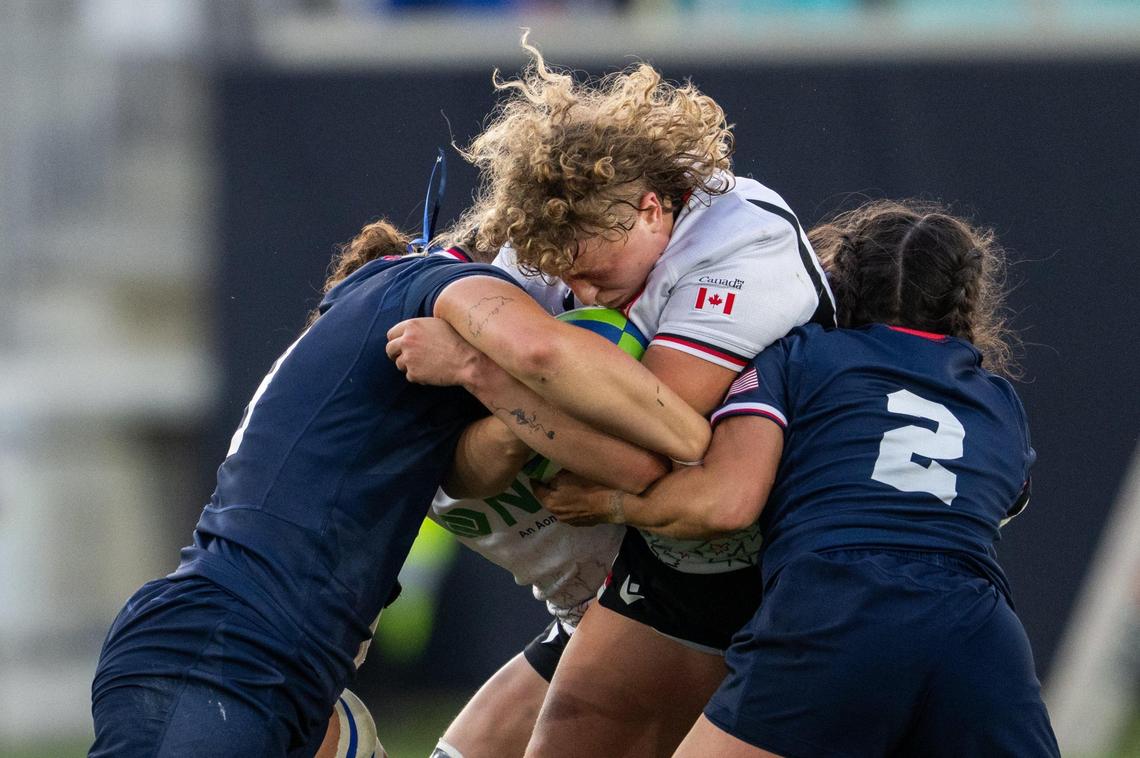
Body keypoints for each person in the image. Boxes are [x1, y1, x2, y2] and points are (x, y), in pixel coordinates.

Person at [88, 216, 708, 757]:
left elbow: (529, 428)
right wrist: (684, 431)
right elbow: (544, 358)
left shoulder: (370, 372)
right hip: (227, 650)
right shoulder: (419, 291)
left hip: (288, 663)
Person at [392, 36, 835, 758]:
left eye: (598, 276)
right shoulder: (544, 251)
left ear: (654, 210)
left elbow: (649, 440)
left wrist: (486, 374)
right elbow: (462, 473)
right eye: (568, 281)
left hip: (764, 562)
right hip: (650, 561)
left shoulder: (740, 241)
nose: (584, 295)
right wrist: (517, 413)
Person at [541, 199, 1061, 757]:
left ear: (841, 279)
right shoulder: (998, 400)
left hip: (838, 606)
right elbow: (998, 500)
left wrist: (611, 502)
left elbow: (726, 504)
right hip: (978, 628)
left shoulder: (799, 355)